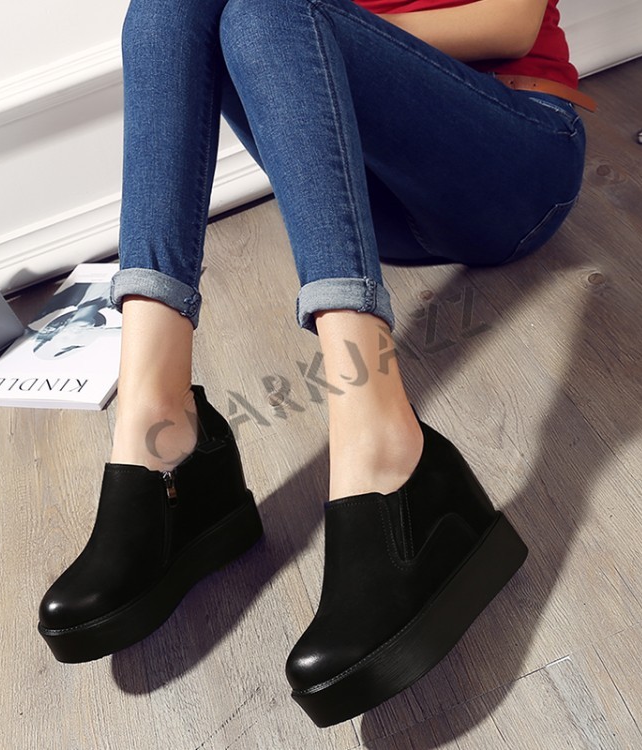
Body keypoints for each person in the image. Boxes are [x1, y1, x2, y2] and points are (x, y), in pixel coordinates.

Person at [37, 0, 590, 727]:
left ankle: (383, 446)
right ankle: (158, 430)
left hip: (514, 156)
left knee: (266, 15)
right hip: (380, 202)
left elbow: (509, 24)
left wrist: (315, 32)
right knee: (173, 6)